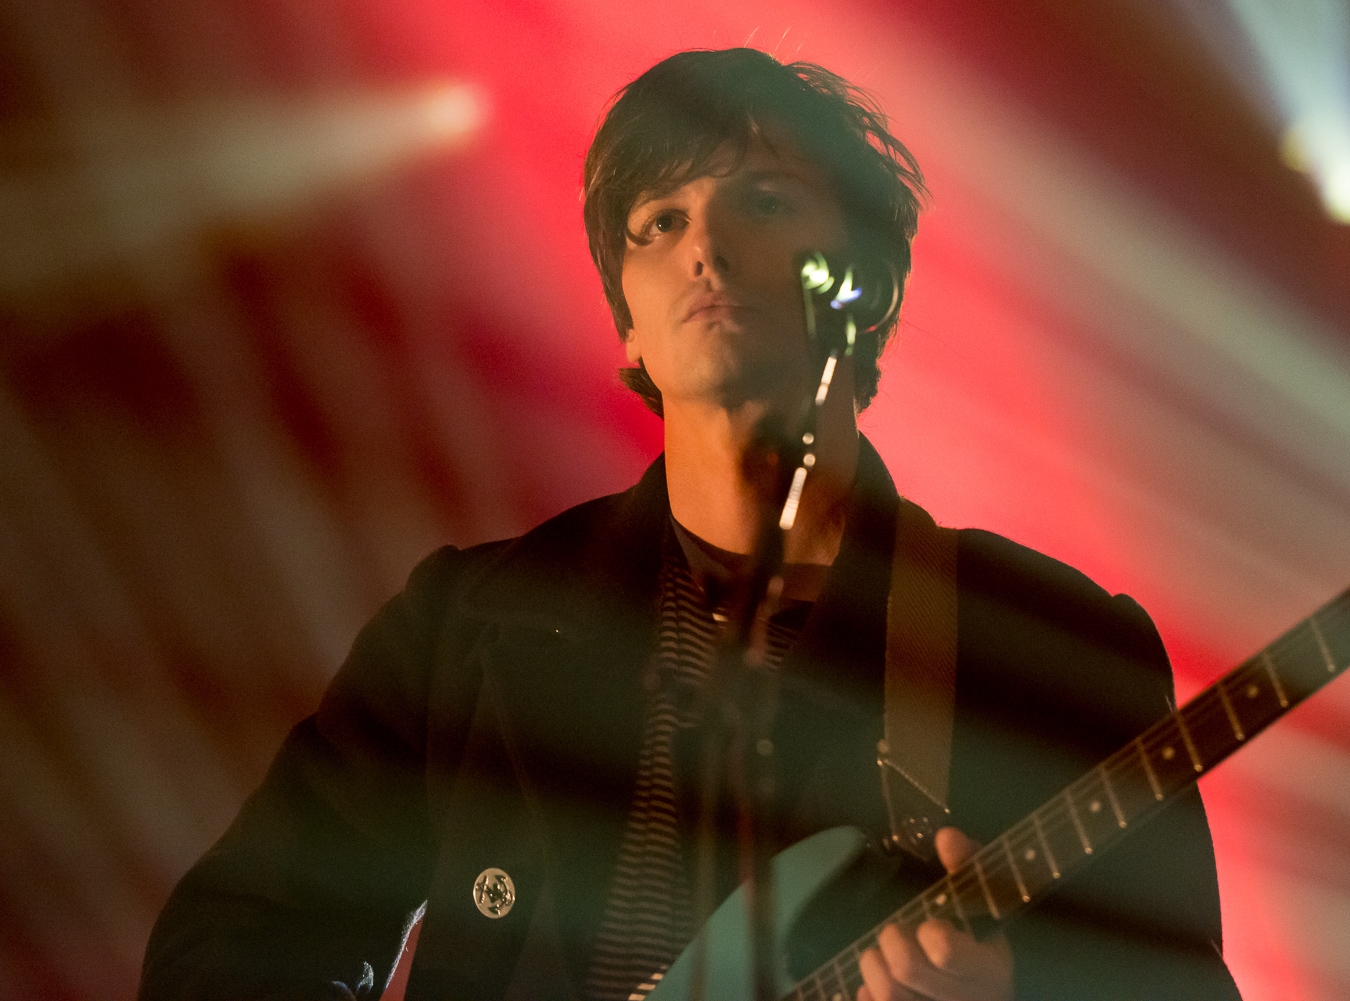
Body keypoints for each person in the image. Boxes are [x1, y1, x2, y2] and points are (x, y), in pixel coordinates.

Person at [140, 48, 1241, 1001]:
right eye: (659, 223)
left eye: (761, 201)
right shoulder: (477, 623)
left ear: (857, 279)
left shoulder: (1047, 642)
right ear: (626, 309)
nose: (704, 249)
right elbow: (223, 945)